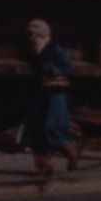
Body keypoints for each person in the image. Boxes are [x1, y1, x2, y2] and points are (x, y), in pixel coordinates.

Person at [23, 19, 79, 175]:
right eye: (29, 34)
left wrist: (51, 68)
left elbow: (68, 67)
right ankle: (44, 166)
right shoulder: (34, 50)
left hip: (55, 93)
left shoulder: (53, 49)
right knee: (37, 129)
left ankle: (71, 151)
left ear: (40, 34)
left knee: (52, 126)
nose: (30, 38)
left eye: (32, 34)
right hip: (41, 92)